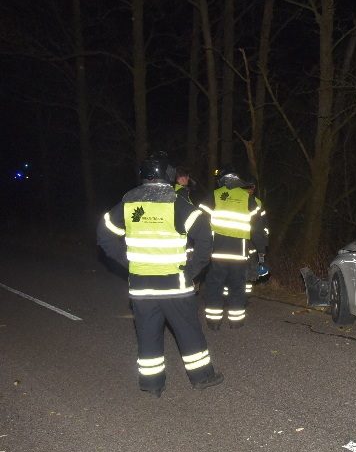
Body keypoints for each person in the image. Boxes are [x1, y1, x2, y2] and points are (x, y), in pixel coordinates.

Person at [97, 151, 224, 397]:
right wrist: (193, 271)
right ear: (168, 175)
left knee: (147, 335)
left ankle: (152, 384)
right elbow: (205, 238)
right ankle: (202, 377)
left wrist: (128, 261)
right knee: (188, 332)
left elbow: (104, 236)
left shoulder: (128, 203)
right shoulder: (177, 204)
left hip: (141, 287)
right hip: (175, 286)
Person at [199, 167, 269, 330]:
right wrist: (261, 253)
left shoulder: (214, 196)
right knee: (237, 287)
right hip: (240, 253)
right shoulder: (249, 200)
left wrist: (200, 248)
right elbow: (258, 230)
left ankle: (214, 322)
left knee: (214, 287)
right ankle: (236, 322)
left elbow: (200, 224)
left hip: (216, 253)